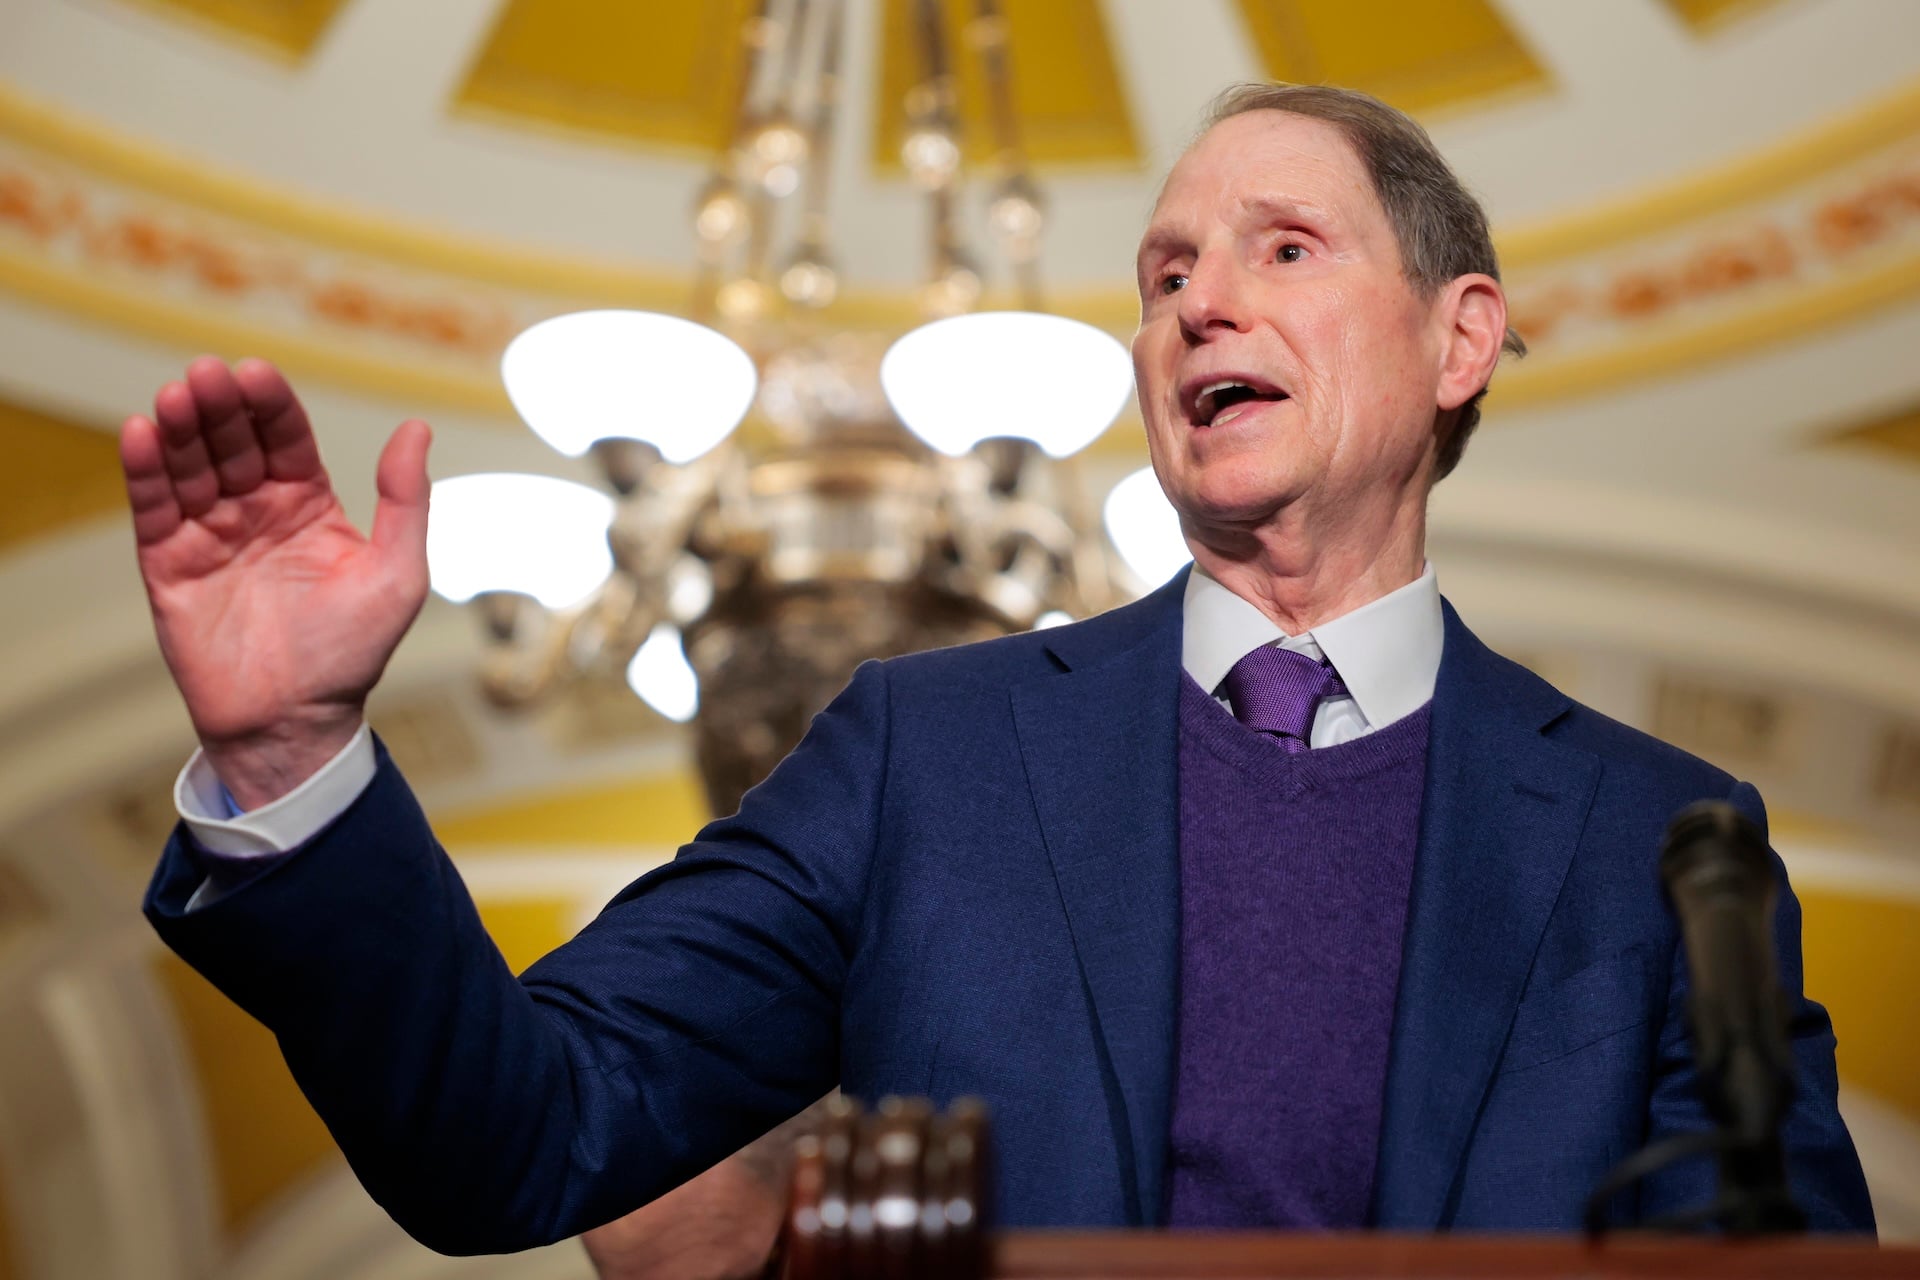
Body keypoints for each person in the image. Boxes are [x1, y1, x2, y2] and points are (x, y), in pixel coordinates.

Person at [126, 84, 1874, 1251]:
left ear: (1460, 337)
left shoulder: (1668, 846)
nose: (1198, 304)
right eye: (1165, 271)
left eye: (1284, 249)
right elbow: (513, 1135)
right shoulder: (925, 759)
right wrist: (296, 760)